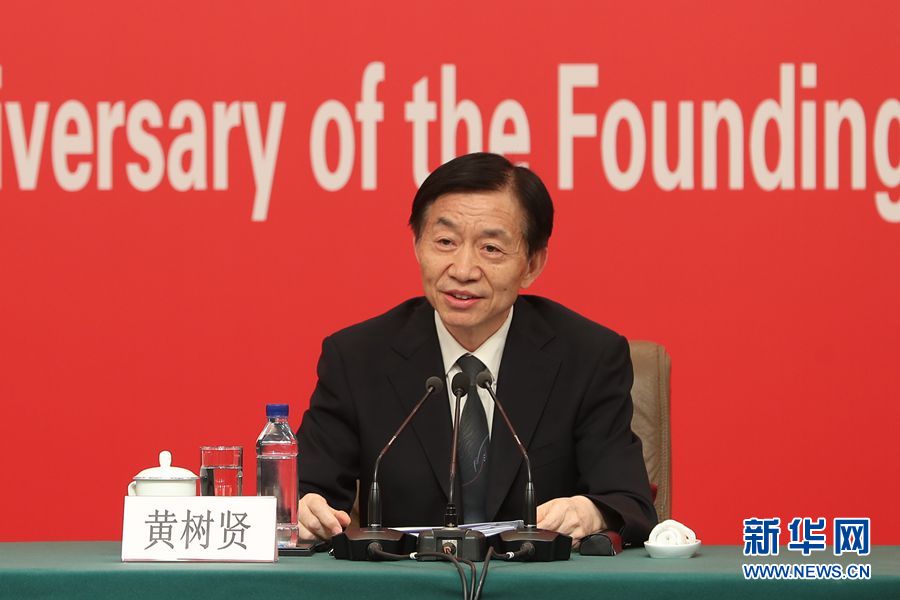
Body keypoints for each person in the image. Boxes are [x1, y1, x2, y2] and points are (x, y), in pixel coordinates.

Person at [295, 152, 657, 547]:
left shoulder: (588, 357)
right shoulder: (358, 358)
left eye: (491, 249)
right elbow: (307, 490)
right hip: (406, 578)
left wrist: (590, 511)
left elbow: (629, 502)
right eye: (445, 242)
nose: (463, 270)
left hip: (538, 578)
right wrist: (305, 508)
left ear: (533, 264)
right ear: (417, 246)